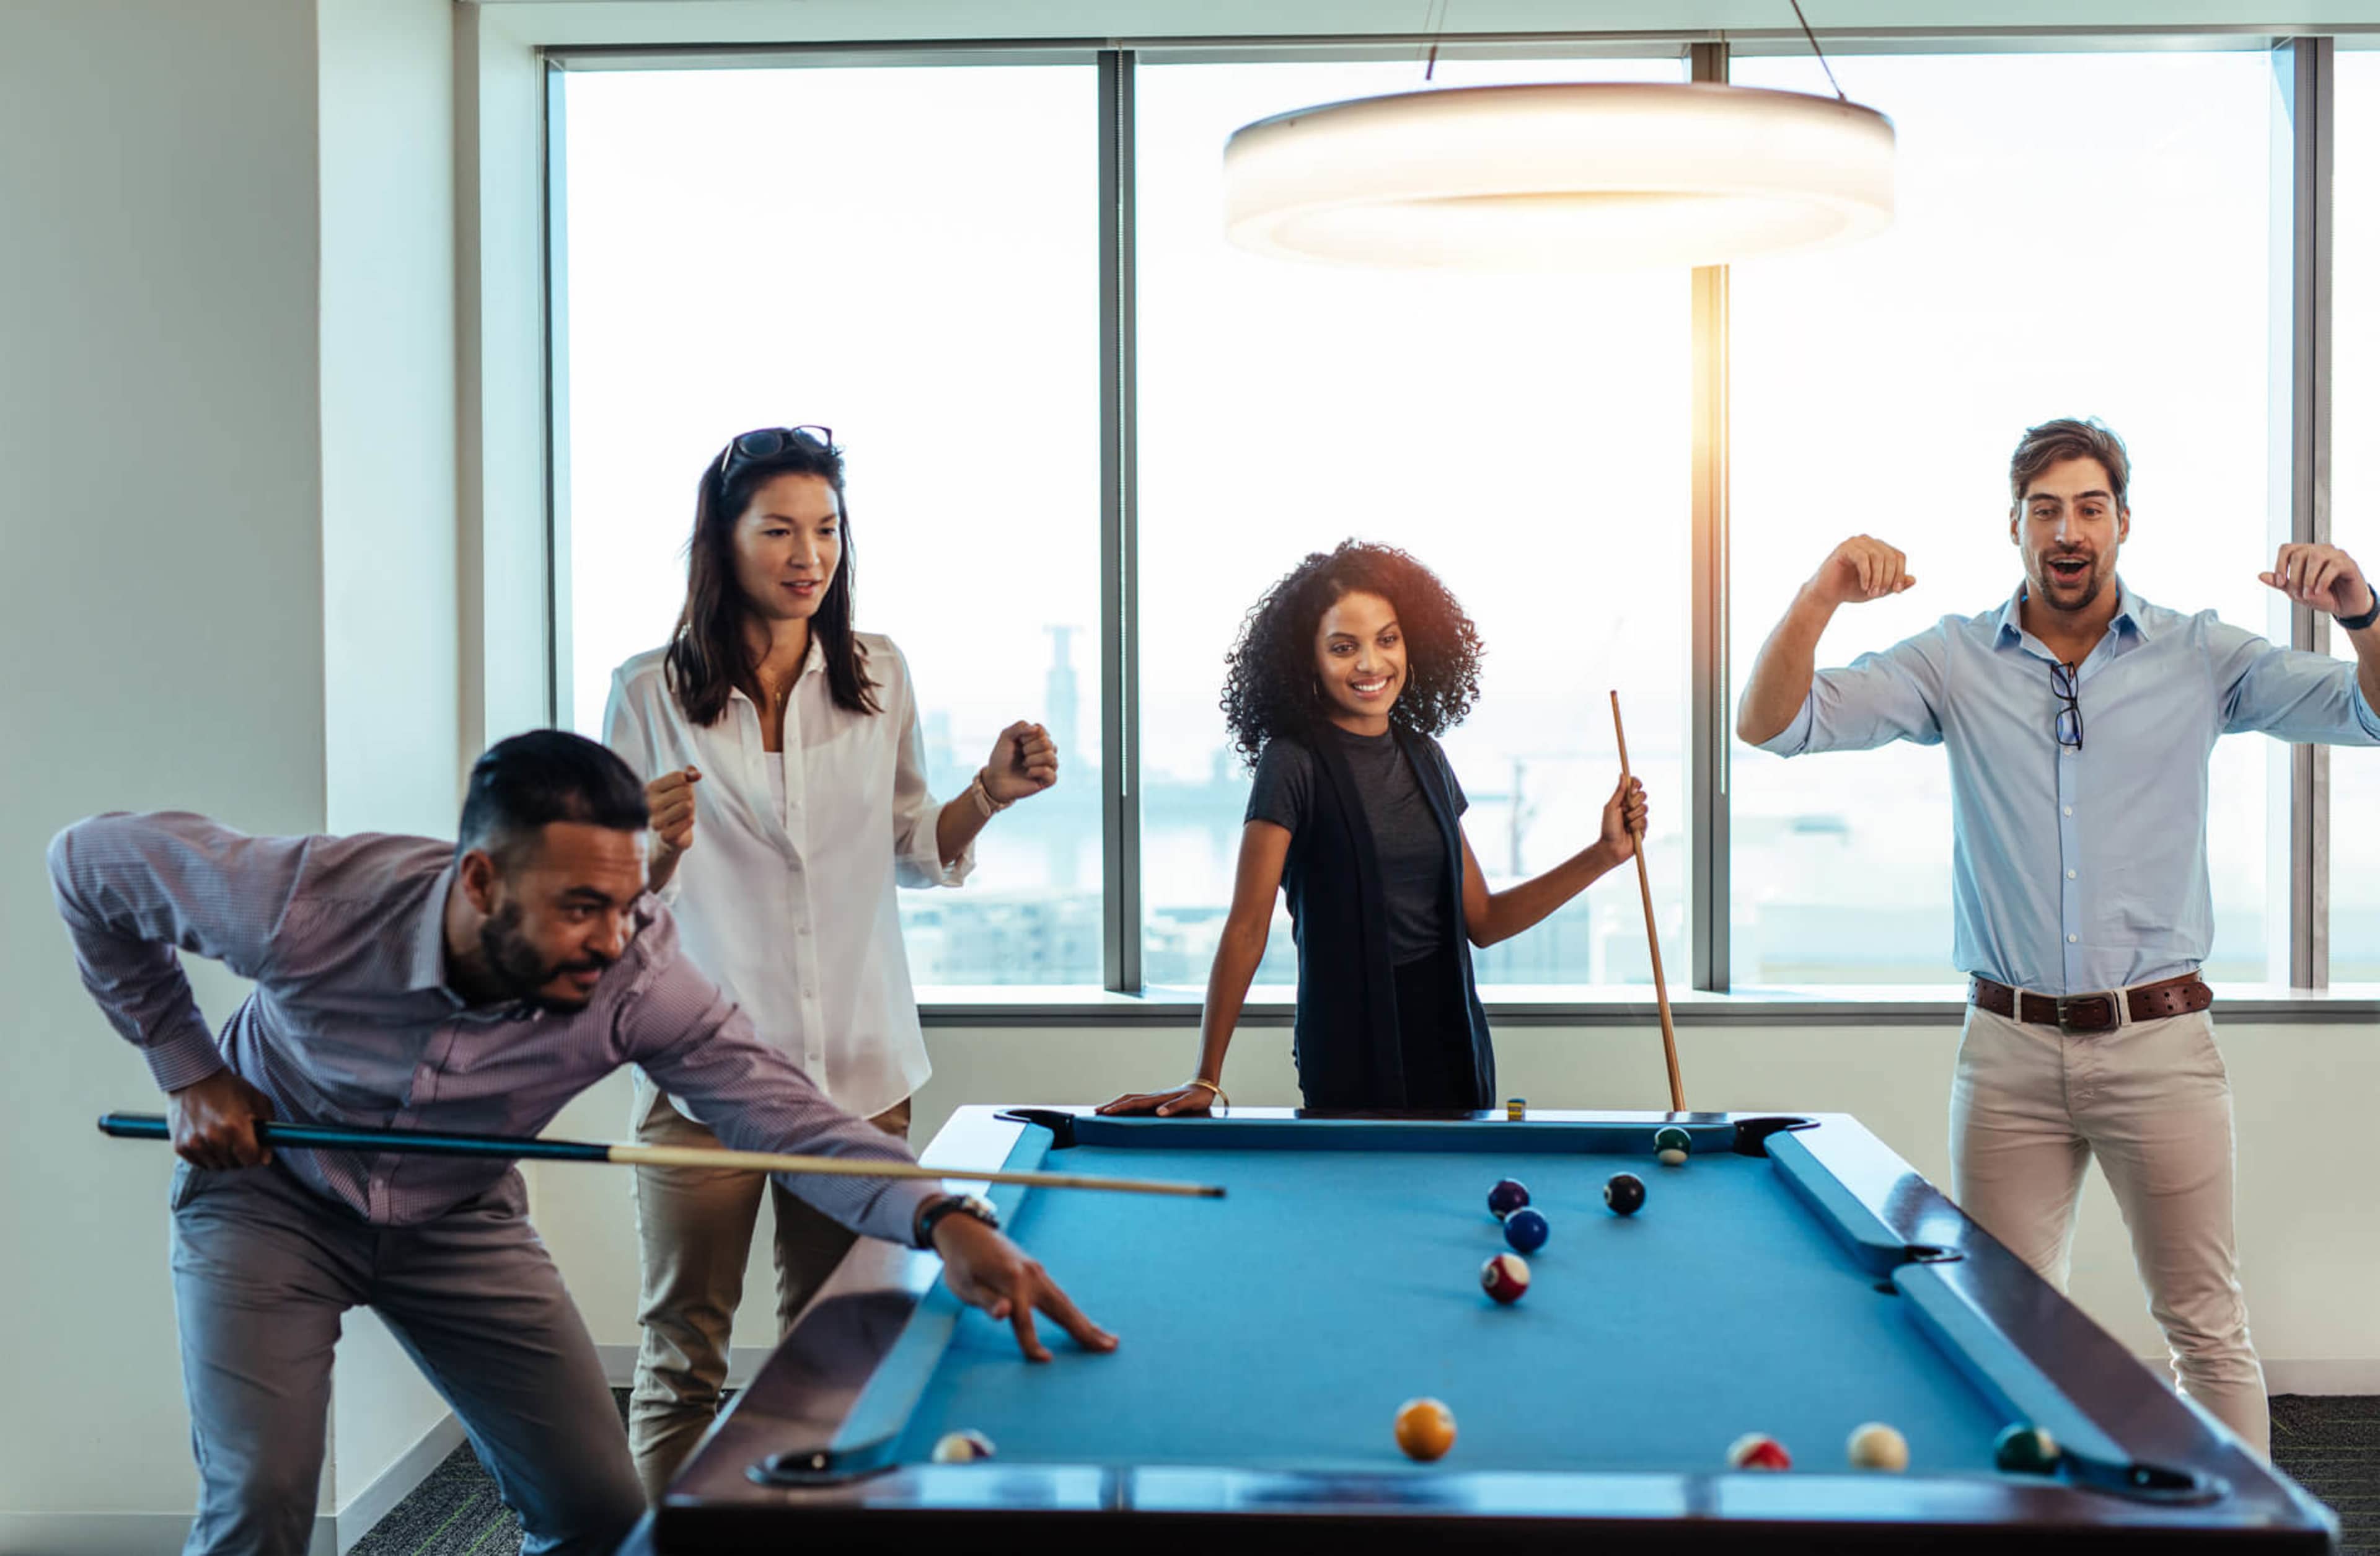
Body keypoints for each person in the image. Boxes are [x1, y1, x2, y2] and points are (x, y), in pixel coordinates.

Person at [48, 730, 1111, 1556]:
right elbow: (88, 863)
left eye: (628, 902)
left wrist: (943, 1214)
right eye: (580, 907)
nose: (612, 939)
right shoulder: (310, 902)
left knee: (600, 1514)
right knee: (259, 1503)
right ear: (479, 882)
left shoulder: (640, 975)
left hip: (459, 1218)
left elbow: (787, 1118)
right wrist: (190, 1070)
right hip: (269, 1196)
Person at [1734, 416, 2380, 1458]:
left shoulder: (2200, 654)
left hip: (2160, 1045)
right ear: (2015, 527)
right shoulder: (1953, 659)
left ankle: (2247, 1534)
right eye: (2045, 510)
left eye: (2088, 507)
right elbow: (1770, 722)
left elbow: (2370, 711)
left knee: (2205, 1328)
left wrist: (2360, 612)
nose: (2067, 530)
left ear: (2123, 522)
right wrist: (1821, 594)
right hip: (2008, 1055)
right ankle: (2037, 1525)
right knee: (2001, 1333)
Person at [602, 423, 1060, 1497]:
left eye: (827, 529)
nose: (808, 555)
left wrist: (988, 796)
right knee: (683, 1359)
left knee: (841, 1353)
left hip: (857, 1074)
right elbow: (618, 904)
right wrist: (655, 850)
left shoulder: (877, 673)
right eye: (779, 530)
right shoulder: (645, 692)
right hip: (702, 1081)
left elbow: (913, 846)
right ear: (723, 541)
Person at [1102, 540, 1648, 1118]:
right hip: (1349, 1049)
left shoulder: (1427, 757)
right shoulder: (1292, 762)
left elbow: (1484, 921)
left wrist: (1604, 854)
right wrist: (1206, 1078)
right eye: (1344, 647)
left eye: (1387, 640)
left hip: (1453, 1044)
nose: (1370, 664)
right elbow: (1246, 929)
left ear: (1413, 644)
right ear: (1308, 659)